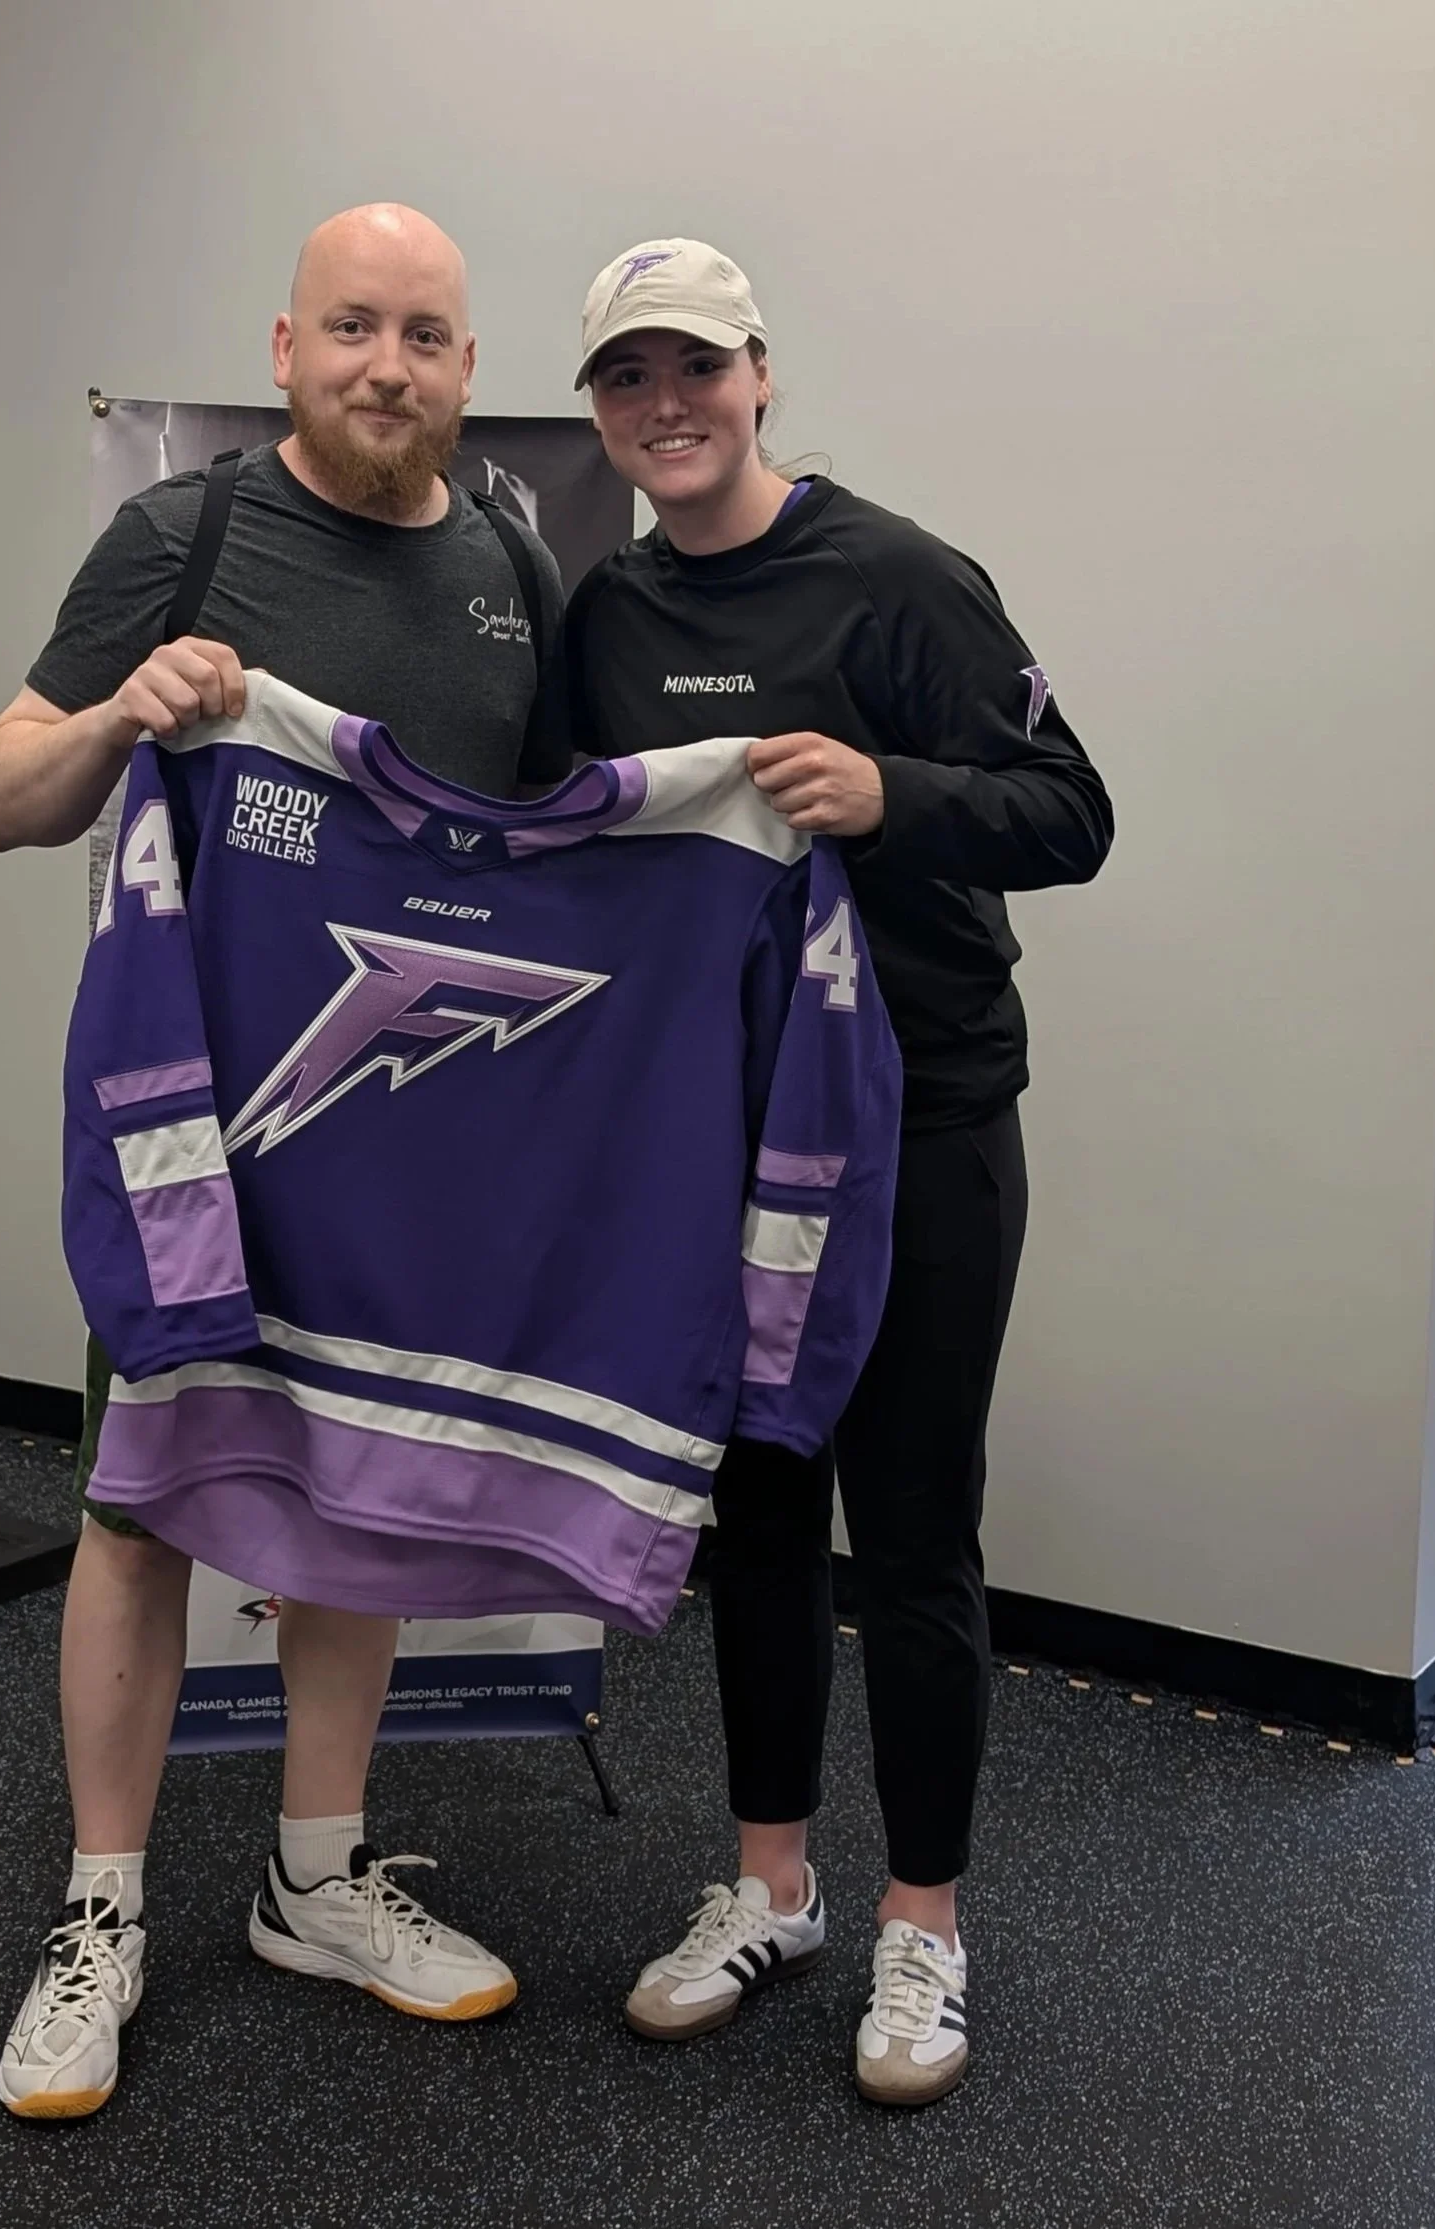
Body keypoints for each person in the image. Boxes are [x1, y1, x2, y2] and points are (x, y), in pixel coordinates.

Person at [0, 202, 564, 2119]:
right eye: (354, 329)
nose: (390, 366)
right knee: (142, 1503)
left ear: (473, 371)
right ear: (289, 343)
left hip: (413, 1130)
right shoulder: (187, 534)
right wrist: (123, 714)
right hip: (200, 1135)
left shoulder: (510, 560)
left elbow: (559, 837)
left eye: (429, 336)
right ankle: (102, 1908)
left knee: (361, 1492)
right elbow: (2, 788)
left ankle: (316, 1877)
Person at [562, 239, 1113, 2105]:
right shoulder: (608, 613)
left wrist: (897, 796)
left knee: (918, 1533)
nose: (665, 407)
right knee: (759, 1524)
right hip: (714, 1146)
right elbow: (575, 852)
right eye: (628, 380)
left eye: (694, 370)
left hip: (924, 1131)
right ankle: (773, 1884)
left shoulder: (904, 582)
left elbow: (1077, 815)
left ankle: (926, 1928)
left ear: (761, 375)